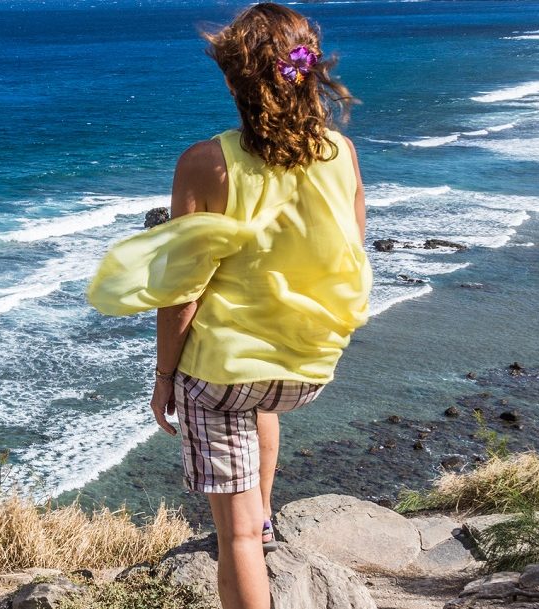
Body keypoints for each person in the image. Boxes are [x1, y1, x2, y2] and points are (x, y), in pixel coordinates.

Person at [86, 4, 369, 608]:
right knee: (257, 401)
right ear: (308, 69)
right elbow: (352, 245)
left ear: (232, 78)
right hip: (307, 368)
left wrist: (164, 377)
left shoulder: (206, 162)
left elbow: (181, 290)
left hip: (222, 374)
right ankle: (265, 517)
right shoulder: (341, 152)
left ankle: (250, 528)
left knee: (232, 532)